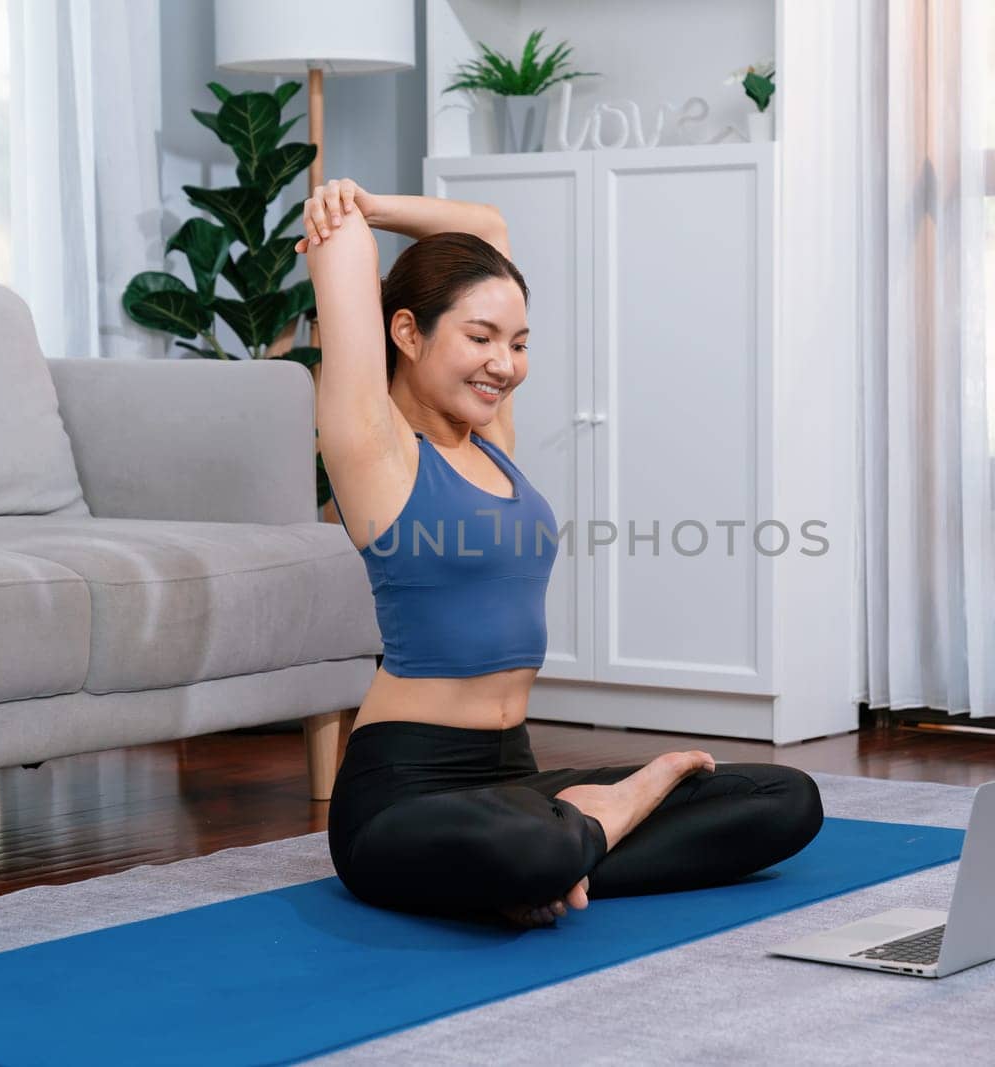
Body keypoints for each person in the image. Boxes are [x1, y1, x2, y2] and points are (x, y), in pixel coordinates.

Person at [297, 178, 824, 926]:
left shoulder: (492, 440)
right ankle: (589, 829)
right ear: (408, 334)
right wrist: (343, 212)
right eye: (479, 338)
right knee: (528, 849)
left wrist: (378, 205)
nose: (504, 365)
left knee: (786, 800)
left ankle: (560, 851)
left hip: (515, 777)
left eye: (518, 344)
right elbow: (346, 252)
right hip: (403, 792)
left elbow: (488, 225)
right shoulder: (376, 450)